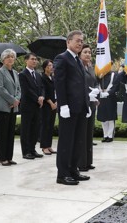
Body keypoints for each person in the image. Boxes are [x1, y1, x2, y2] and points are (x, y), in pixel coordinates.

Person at [53, 30, 91, 185]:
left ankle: (74, 170)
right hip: (68, 108)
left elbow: (82, 85)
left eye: (82, 41)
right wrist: (63, 105)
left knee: (78, 141)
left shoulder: (78, 60)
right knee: (66, 141)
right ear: (68, 42)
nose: (80, 43)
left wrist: (87, 105)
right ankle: (62, 174)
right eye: (77, 41)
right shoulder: (62, 58)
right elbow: (59, 84)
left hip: (80, 107)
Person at [0, 49, 21, 166]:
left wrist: (17, 100)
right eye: (8, 56)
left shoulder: (15, 73)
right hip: (2, 107)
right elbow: (1, 88)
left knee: (10, 134)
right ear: (3, 59)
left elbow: (19, 89)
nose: (10, 59)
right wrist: (12, 100)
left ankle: (9, 157)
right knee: (2, 134)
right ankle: (2, 158)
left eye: (12, 57)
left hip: (13, 107)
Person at [19, 53, 45, 160]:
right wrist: (37, 98)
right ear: (26, 61)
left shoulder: (38, 75)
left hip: (38, 106)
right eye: (32, 59)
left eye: (36, 59)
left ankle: (32, 149)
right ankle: (26, 151)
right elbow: (26, 90)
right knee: (26, 129)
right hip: (27, 106)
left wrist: (42, 96)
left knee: (35, 129)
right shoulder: (22, 74)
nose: (34, 61)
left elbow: (42, 87)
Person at [77, 44, 97, 171]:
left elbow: (94, 83)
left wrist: (96, 96)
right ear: (79, 54)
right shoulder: (78, 67)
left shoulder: (90, 67)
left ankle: (88, 161)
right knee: (82, 134)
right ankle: (81, 163)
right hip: (82, 103)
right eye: (85, 52)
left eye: (89, 52)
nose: (88, 54)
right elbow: (78, 85)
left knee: (89, 134)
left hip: (92, 103)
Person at [96, 66, 119, 143]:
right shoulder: (99, 74)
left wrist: (108, 93)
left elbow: (115, 86)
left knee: (110, 118)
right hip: (101, 98)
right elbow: (95, 84)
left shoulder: (114, 74)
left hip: (110, 98)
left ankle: (110, 135)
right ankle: (105, 135)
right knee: (103, 118)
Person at [40, 60, 57, 156]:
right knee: (45, 126)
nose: (51, 67)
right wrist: (51, 103)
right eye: (49, 65)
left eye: (52, 65)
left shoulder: (53, 78)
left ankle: (49, 145)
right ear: (45, 67)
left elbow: (56, 90)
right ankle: (44, 146)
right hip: (46, 105)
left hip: (54, 104)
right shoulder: (42, 78)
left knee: (51, 126)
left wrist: (56, 102)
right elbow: (44, 91)